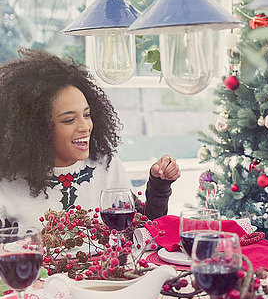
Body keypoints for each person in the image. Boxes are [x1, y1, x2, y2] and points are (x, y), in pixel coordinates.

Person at [0, 49, 181, 228]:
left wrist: (159, 186)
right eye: (69, 120)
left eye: (87, 115)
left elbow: (144, 230)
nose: (85, 127)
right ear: (36, 128)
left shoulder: (107, 165)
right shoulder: (7, 182)